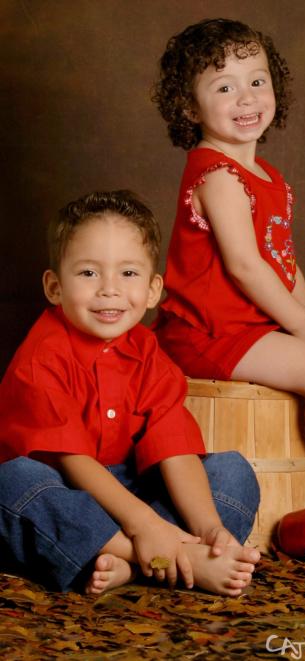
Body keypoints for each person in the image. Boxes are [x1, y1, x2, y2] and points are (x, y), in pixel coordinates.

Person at [151, 18, 305, 555]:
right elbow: (244, 266)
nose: (246, 97)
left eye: (256, 80)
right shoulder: (216, 174)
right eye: (224, 86)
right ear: (190, 109)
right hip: (205, 331)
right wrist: (298, 325)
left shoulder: (267, 174)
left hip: (250, 325)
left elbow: (283, 262)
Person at [0, 189, 261, 596]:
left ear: (154, 289)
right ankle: (160, 558)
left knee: (233, 471)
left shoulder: (147, 352)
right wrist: (148, 528)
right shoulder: (41, 356)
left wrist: (209, 527)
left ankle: (143, 561)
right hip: (67, 490)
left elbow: (174, 447)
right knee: (12, 481)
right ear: (54, 286)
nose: (109, 289)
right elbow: (73, 462)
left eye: (128, 273)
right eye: (88, 273)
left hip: (133, 486)